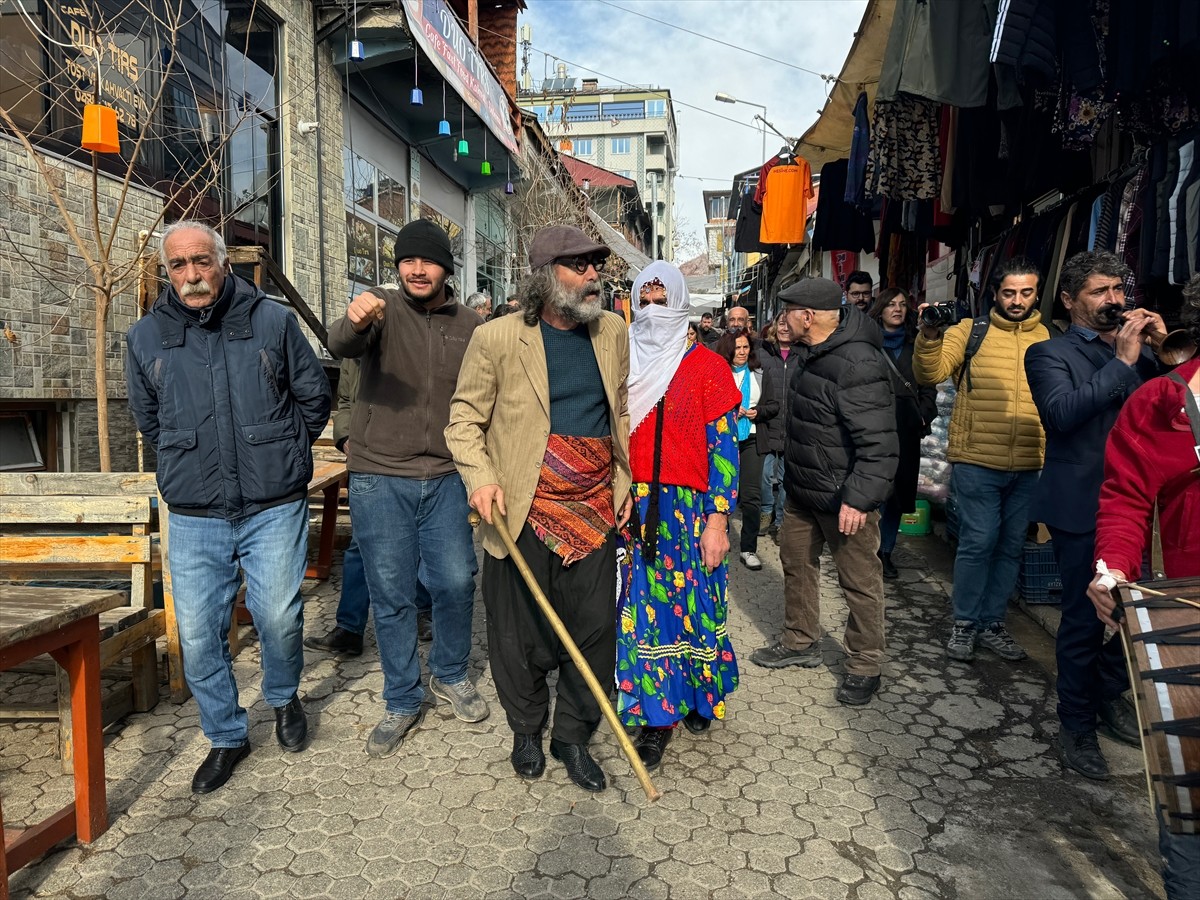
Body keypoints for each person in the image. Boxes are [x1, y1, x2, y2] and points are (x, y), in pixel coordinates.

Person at [125, 221, 331, 793]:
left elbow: (314, 398)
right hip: (194, 511)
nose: (191, 276)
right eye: (178, 266)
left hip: (271, 503)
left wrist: (283, 452)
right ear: (167, 272)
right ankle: (225, 735)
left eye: (201, 262)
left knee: (279, 617)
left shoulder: (271, 319)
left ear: (223, 260)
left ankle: (285, 698)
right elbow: (149, 421)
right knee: (196, 632)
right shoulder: (145, 337)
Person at [445, 225, 632, 793]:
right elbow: (463, 421)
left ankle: (572, 736)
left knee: (596, 629)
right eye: (580, 266)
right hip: (519, 507)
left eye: (595, 265)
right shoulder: (498, 338)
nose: (594, 275)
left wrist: (629, 487)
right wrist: (479, 479)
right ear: (546, 277)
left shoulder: (613, 332)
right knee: (517, 634)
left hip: (595, 506)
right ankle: (526, 727)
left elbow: (621, 407)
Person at [327, 219, 487, 760]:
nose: (417, 270)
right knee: (390, 593)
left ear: (447, 268)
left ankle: (450, 673)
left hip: (445, 476)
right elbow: (340, 342)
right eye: (407, 261)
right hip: (379, 477)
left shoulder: (470, 325)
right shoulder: (379, 310)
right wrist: (352, 319)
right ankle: (401, 697)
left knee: (457, 581)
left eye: (429, 261)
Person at [1025, 251, 1162, 780]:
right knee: (1085, 621)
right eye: (1100, 292)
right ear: (1069, 300)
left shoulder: (1144, 350)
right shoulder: (1048, 352)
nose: (1114, 300)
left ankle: (1107, 689)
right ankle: (1076, 725)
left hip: (1145, 503)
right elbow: (1062, 415)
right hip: (1083, 502)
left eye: (1118, 291)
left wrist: (1165, 354)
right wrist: (1123, 363)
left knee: (1144, 613)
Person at [1087, 276, 1200, 900]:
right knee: (1189, 797)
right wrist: (1113, 568)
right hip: (1188, 620)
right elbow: (1129, 496)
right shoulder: (1166, 400)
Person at [616, 262, 742, 772]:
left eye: (662, 300)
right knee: (644, 607)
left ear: (682, 303)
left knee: (695, 602)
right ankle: (655, 713)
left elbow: (725, 450)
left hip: (690, 512)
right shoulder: (623, 363)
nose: (652, 310)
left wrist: (718, 519)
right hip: (636, 505)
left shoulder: (708, 367)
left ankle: (695, 695)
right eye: (644, 300)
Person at [749, 279, 897, 706]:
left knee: (859, 582)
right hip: (802, 490)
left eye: (788, 311)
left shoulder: (858, 362)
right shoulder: (804, 354)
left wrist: (859, 498)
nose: (783, 320)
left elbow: (879, 443)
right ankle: (800, 641)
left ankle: (865, 663)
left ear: (807, 317)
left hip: (843, 497)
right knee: (796, 564)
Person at [914, 257, 1050, 663]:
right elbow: (930, 372)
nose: (1017, 300)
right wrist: (928, 335)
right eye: (1009, 292)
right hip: (976, 460)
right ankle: (965, 622)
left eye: (1025, 292)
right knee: (978, 541)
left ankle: (993, 623)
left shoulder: (1048, 336)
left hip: (1029, 462)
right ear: (995, 294)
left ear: (1036, 294)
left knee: (1010, 546)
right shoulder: (970, 331)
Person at [304, 359, 434, 658]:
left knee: (415, 539)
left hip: (412, 459)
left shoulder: (415, 329)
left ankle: (424, 610)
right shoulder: (357, 344)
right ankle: (350, 628)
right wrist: (345, 435)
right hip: (368, 460)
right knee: (360, 545)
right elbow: (347, 400)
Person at [867, 288, 938, 579]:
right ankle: (868, 550)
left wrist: (923, 413)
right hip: (874, 427)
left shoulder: (916, 343)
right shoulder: (869, 345)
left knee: (897, 494)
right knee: (875, 491)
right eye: (890, 305)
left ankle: (886, 551)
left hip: (907, 427)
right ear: (880, 309)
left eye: (902, 305)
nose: (897, 309)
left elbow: (929, 382)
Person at [714, 328, 772, 570]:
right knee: (722, 491)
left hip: (752, 437)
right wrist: (728, 409)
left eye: (745, 347)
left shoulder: (759, 372)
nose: (741, 351)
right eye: (737, 347)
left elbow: (774, 405)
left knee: (751, 496)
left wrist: (758, 412)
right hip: (724, 438)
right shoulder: (718, 372)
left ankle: (748, 548)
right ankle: (719, 538)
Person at [757, 311, 797, 543]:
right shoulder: (763, 354)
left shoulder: (802, 354)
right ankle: (766, 511)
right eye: (781, 323)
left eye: (788, 324)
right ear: (774, 326)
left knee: (785, 479)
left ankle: (781, 521)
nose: (784, 328)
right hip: (766, 423)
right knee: (763, 475)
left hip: (792, 426)